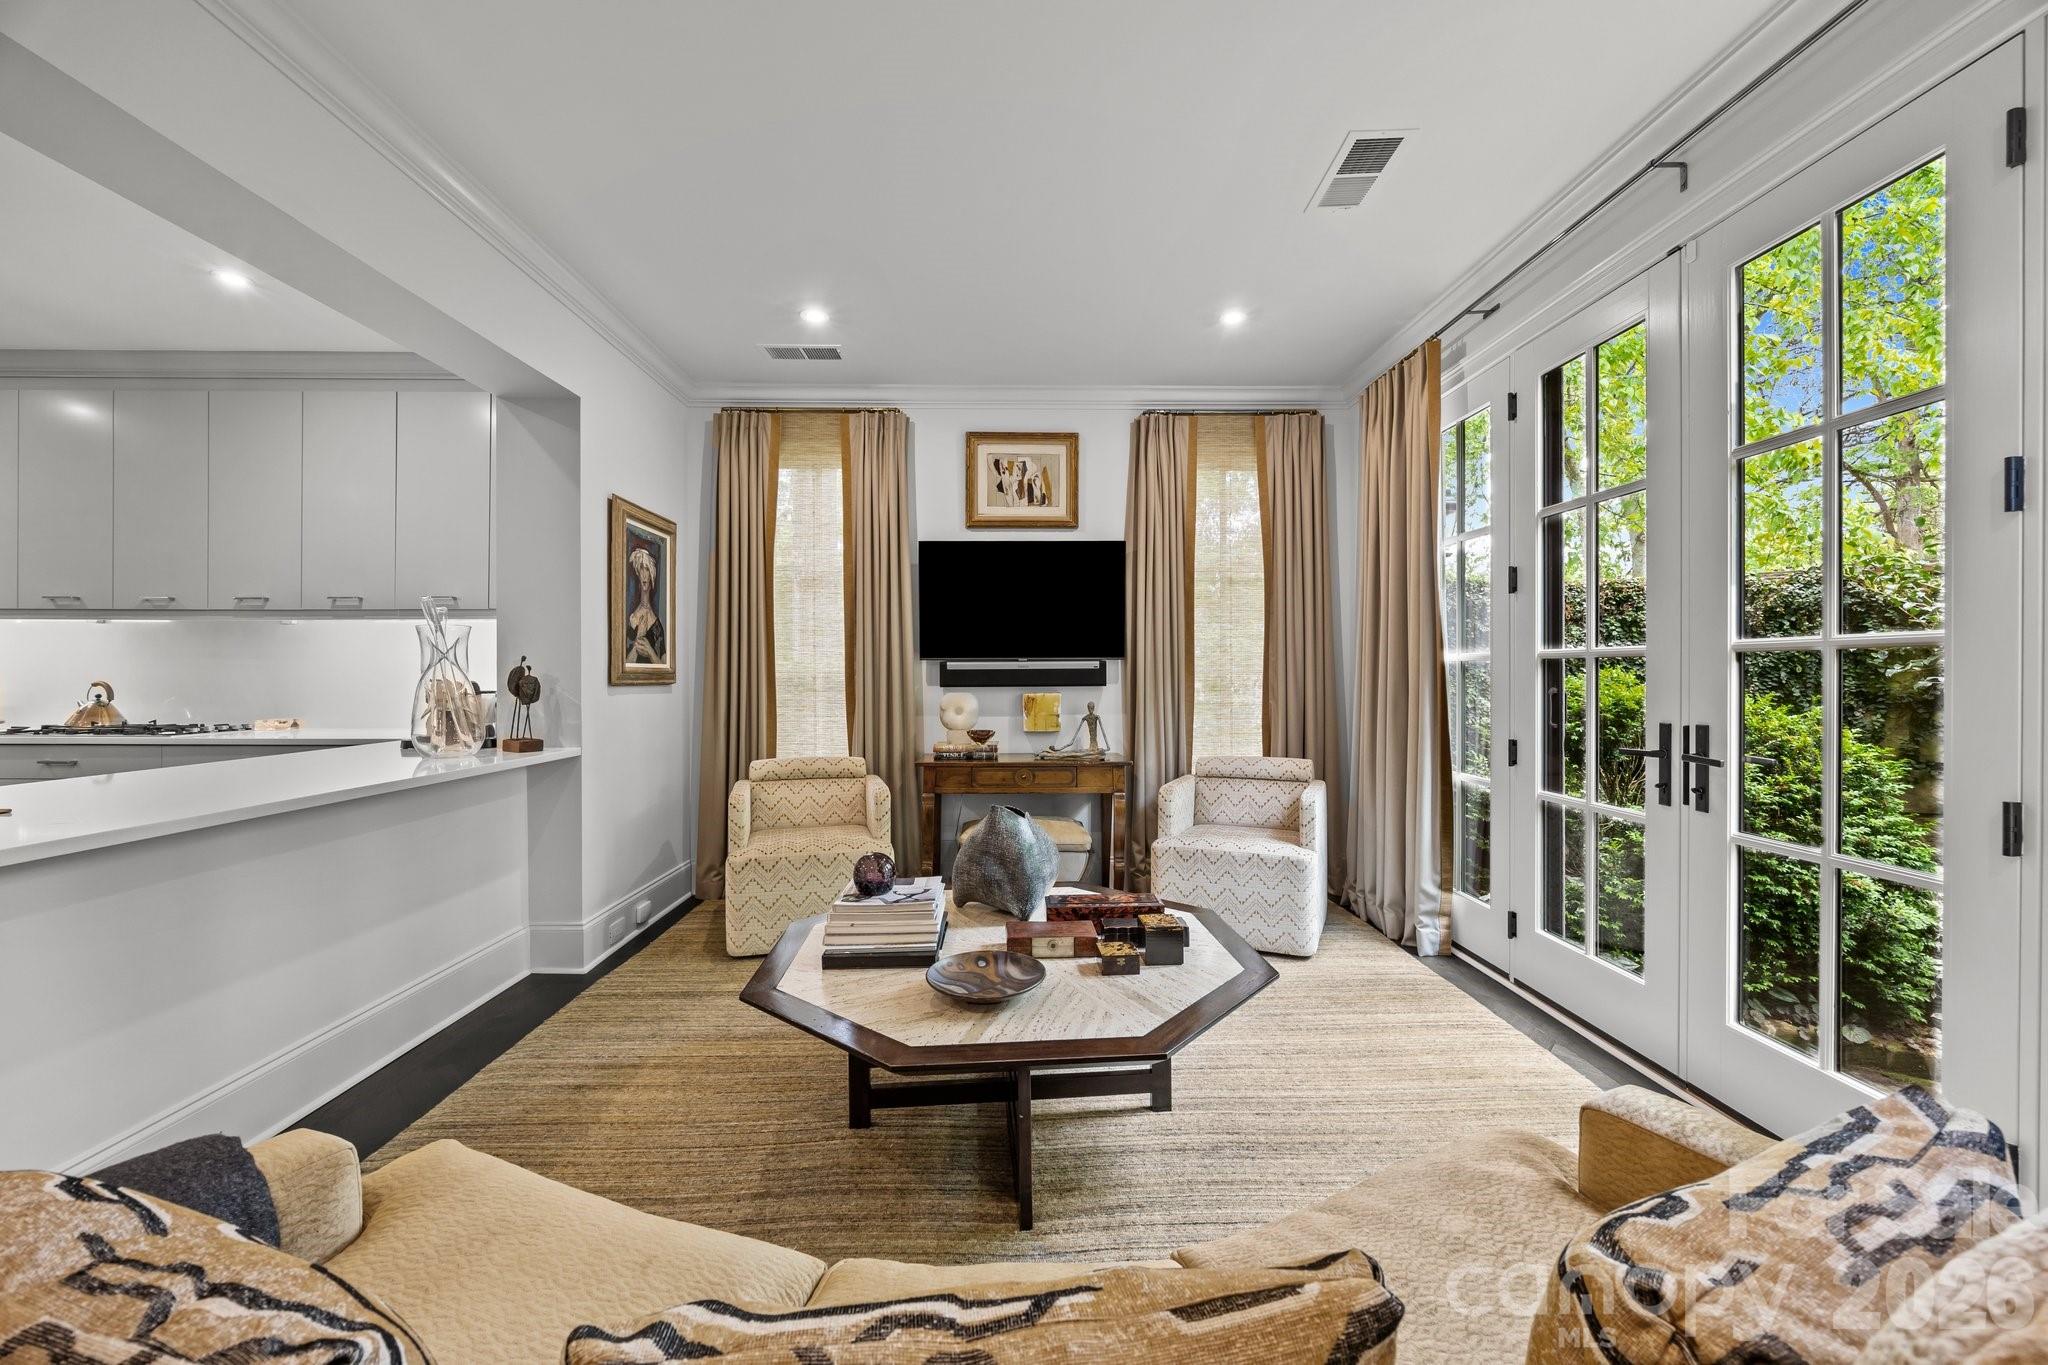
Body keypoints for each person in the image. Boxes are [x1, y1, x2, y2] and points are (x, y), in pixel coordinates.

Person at [625, 545, 665, 665]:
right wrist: (638, 640)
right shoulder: (631, 618)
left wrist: (650, 652)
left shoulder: (657, 625)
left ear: (652, 573)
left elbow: (664, 667)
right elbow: (624, 664)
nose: (644, 574)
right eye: (641, 568)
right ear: (637, 572)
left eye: (647, 569)